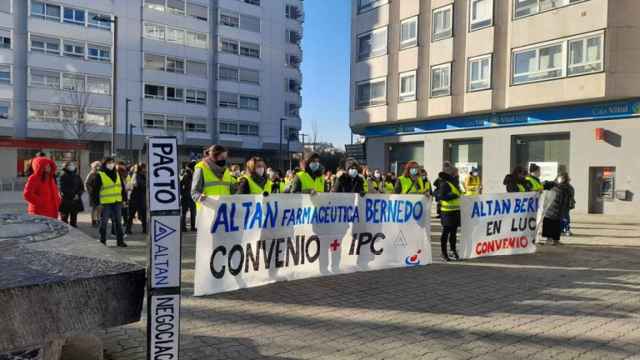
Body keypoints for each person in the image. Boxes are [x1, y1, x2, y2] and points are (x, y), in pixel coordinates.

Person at [94, 157, 127, 247]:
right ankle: (102, 241)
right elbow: (95, 191)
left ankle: (120, 242)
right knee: (104, 222)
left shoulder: (117, 174)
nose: (111, 164)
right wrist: (98, 203)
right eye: (109, 162)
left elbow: (122, 188)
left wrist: (124, 200)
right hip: (105, 203)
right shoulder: (100, 175)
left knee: (118, 222)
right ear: (105, 164)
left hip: (117, 202)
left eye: (112, 162)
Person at [435, 163, 462, 261]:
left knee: (453, 233)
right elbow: (441, 196)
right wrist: (454, 196)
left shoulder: (454, 183)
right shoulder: (445, 183)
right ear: (451, 173)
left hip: (455, 211)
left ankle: (453, 250)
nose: (457, 174)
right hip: (447, 212)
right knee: (446, 233)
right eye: (456, 173)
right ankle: (444, 252)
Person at [542, 178, 571, 246]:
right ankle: (550, 240)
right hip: (552, 211)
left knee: (555, 225)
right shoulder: (557, 190)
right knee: (551, 224)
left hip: (554, 211)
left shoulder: (562, 189)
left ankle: (554, 240)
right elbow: (559, 201)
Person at [58, 161, 84, 227]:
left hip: (75, 199)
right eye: (69, 165)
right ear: (66, 167)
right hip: (66, 200)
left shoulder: (77, 176)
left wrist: (78, 194)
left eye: (72, 165)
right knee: (64, 218)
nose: (71, 166)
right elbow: (62, 188)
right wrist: (71, 195)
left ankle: (74, 226)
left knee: (74, 215)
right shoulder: (62, 176)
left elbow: (81, 187)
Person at [126, 163, 148, 234]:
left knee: (142, 215)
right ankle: (128, 229)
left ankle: (144, 229)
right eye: (144, 168)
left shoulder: (140, 175)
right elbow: (140, 185)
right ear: (141, 168)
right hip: (135, 198)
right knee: (132, 215)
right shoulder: (137, 175)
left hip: (139, 198)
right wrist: (147, 184)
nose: (146, 169)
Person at [85, 161, 102, 227]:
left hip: (100, 193)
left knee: (100, 208)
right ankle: (94, 220)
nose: (98, 167)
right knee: (94, 208)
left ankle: (98, 219)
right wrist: (90, 191)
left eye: (99, 166)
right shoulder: (91, 174)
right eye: (96, 166)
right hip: (93, 194)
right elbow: (87, 183)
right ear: (93, 167)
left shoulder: (101, 174)